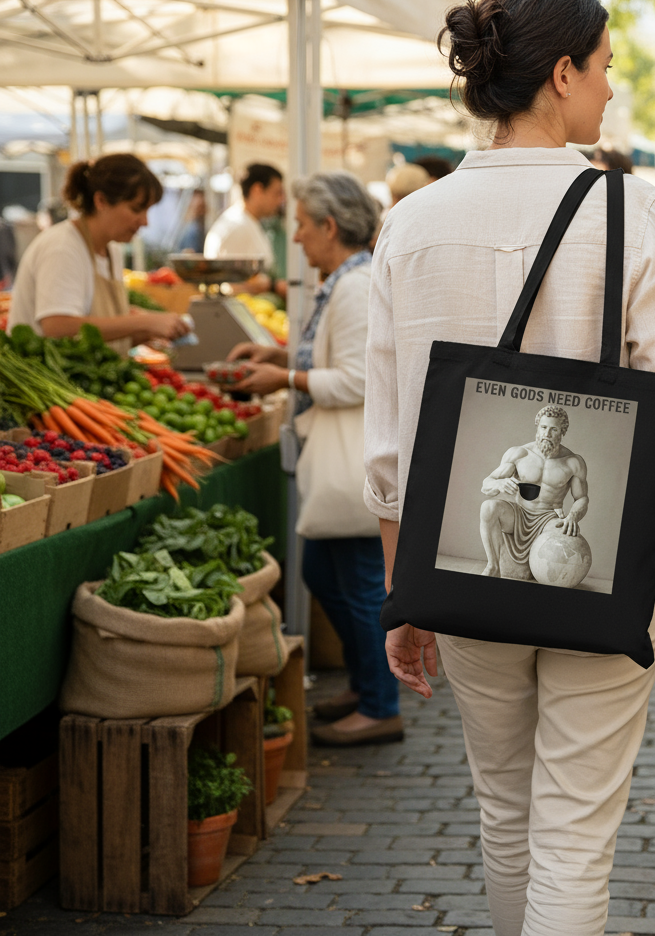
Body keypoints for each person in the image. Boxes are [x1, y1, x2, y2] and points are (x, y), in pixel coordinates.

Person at [363, 0, 655, 935]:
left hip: (468, 563)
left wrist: (405, 594)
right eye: (605, 69)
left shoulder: (408, 224)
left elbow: (393, 441)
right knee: (575, 829)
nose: (611, 90)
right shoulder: (631, 212)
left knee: (505, 814)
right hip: (609, 567)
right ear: (561, 73)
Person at [226, 171, 398, 748]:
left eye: (302, 225)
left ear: (329, 226)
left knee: (360, 584)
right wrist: (278, 353)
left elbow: (355, 380)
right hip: (341, 455)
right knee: (323, 573)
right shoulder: (343, 281)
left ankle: (380, 705)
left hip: (353, 459)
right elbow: (335, 355)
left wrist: (284, 375)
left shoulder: (353, 286)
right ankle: (364, 683)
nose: (294, 236)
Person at [7, 154, 191, 353]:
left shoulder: (111, 250)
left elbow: (96, 333)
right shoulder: (63, 247)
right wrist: (142, 322)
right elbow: (58, 327)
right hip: (44, 380)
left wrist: (146, 331)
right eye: (136, 209)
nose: (145, 222)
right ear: (101, 201)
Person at [479, 404, 588, 579]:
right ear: (537, 427)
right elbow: (486, 483)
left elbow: (582, 498)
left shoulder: (573, 462)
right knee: (488, 508)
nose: (547, 433)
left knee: (566, 536)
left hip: (549, 518)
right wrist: (500, 484)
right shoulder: (519, 454)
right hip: (519, 514)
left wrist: (573, 516)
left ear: (562, 432)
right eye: (543, 427)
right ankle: (493, 567)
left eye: (553, 429)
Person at [204, 163, 284, 293]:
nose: (280, 200)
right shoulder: (237, 226)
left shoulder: (248, 221)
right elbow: (230, 287)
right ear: (257, 190)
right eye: (277, 193)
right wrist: (273, 286)